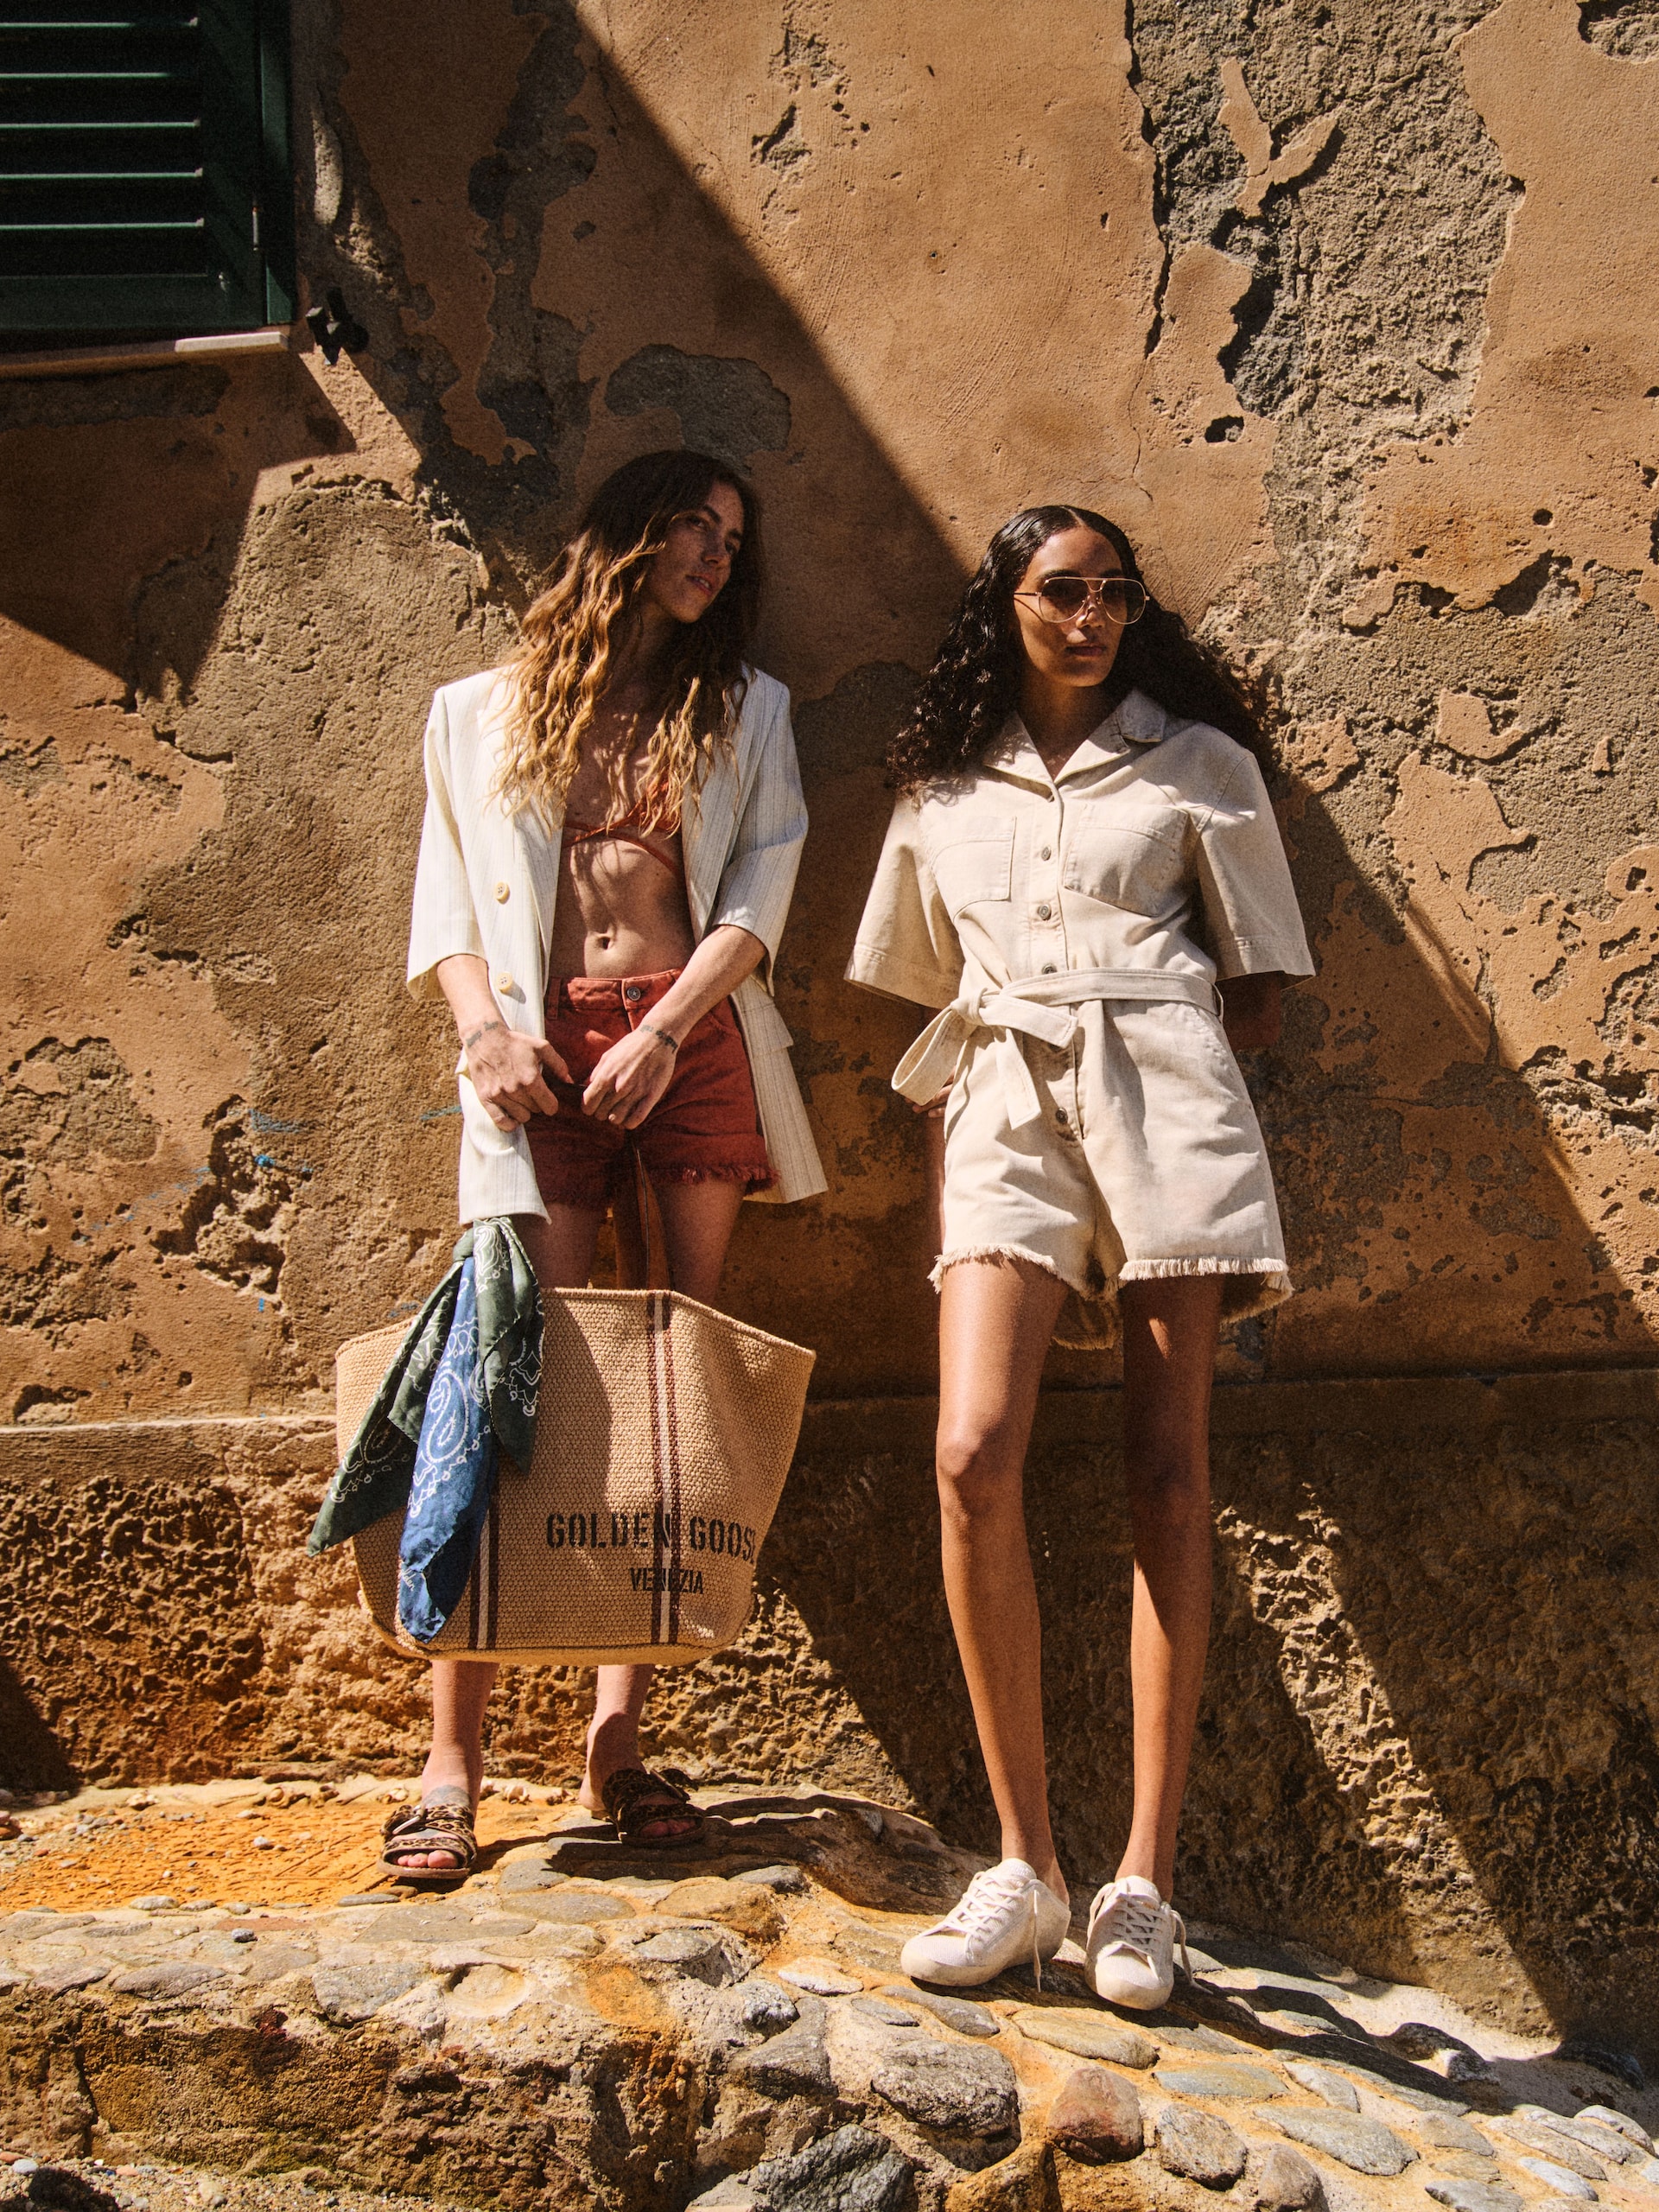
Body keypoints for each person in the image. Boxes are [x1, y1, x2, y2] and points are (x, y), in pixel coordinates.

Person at [847, 505, 1312, 2006]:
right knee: (974, 1448)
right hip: (994, 1097)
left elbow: (1260, 994)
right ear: (1009, 603)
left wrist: (1160, 1075)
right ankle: (1026, 1867)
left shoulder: (1201, 766)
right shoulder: (941, 791)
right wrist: (958, 1183)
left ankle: (1143, 1887)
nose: (1093, 614)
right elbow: (914, 1003)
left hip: (1167, 1090)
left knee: (1168, 1467)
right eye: (1063, 590)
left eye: (1117, 591)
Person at [385, 448, 825, 1878]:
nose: (712, 553)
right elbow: (445, 898)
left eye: (732, 535)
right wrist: (484, 1042)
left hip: (689, 1039)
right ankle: (452, 1759)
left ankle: (615, 1741)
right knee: (512, 1374)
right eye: (693, 524)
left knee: (664, 1384)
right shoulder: (480, 709)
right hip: (534, 1051)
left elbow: (758, 897)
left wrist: (669, 1031)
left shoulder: (748, 710)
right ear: (627, 535)